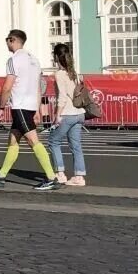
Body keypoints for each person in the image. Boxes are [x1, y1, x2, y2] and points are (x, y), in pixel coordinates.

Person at [0, 30, 60, 191]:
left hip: (20, 106)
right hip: (30, 106)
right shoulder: (34, 60)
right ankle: (0, 176)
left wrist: (1, 107)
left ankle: (51, 178)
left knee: (33, 141)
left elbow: (7, 87)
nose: (6, 43)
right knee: (13, 140)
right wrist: (37, 109)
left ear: (12, 40)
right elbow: (39, 88)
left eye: (7, 40)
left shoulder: (13, 60)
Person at [47, 44, 87, 186]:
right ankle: (79, 176)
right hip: (79, 113)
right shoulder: (74, 73)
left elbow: (62, 97)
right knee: (76, 145)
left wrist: (57, 115)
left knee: (53, 142)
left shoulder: (59, 74)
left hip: (67, 114)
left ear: (56, 57)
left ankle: (60, 173)